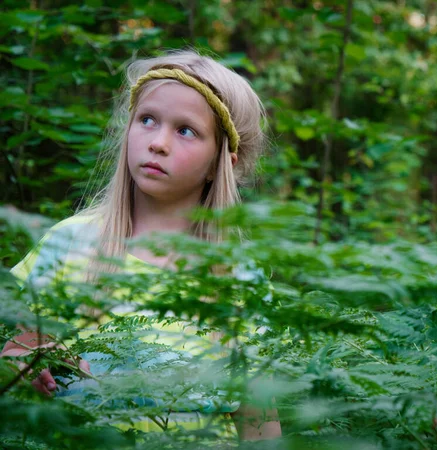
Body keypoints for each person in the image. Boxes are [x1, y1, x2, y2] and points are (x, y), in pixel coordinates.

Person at [1, 49, 281, 441]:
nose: (159, 143)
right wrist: (24, 364)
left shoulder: (238, 279)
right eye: (147, 120)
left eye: (186, 130)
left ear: (223, 162)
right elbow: (19, 351)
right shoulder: (69, 244)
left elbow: (259, 422)